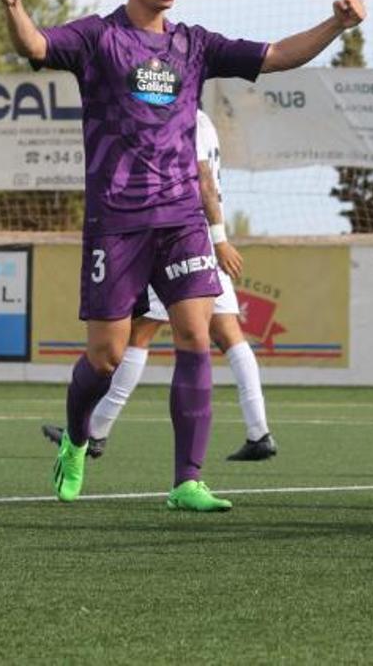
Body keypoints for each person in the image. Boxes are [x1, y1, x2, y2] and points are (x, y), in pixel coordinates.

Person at [0, 0, 364, 510]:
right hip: (117, 220)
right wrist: (14, 7)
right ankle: (75, 440)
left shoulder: (194, 44)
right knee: (107, 356)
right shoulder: (98, 37)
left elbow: (274, 56)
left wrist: (336, 26)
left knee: (197, 336)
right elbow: (37, 48)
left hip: (181, 218)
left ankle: (187, 481)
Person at [41, 108, 276, 462]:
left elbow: (203, 180)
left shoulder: (183, 120)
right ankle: (259, 431)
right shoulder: (205, 121)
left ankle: (96, 433)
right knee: (228, 334)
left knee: (139, 334)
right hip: (201, 237)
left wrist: (220, 238)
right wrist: (218, 238)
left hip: (180, 238)